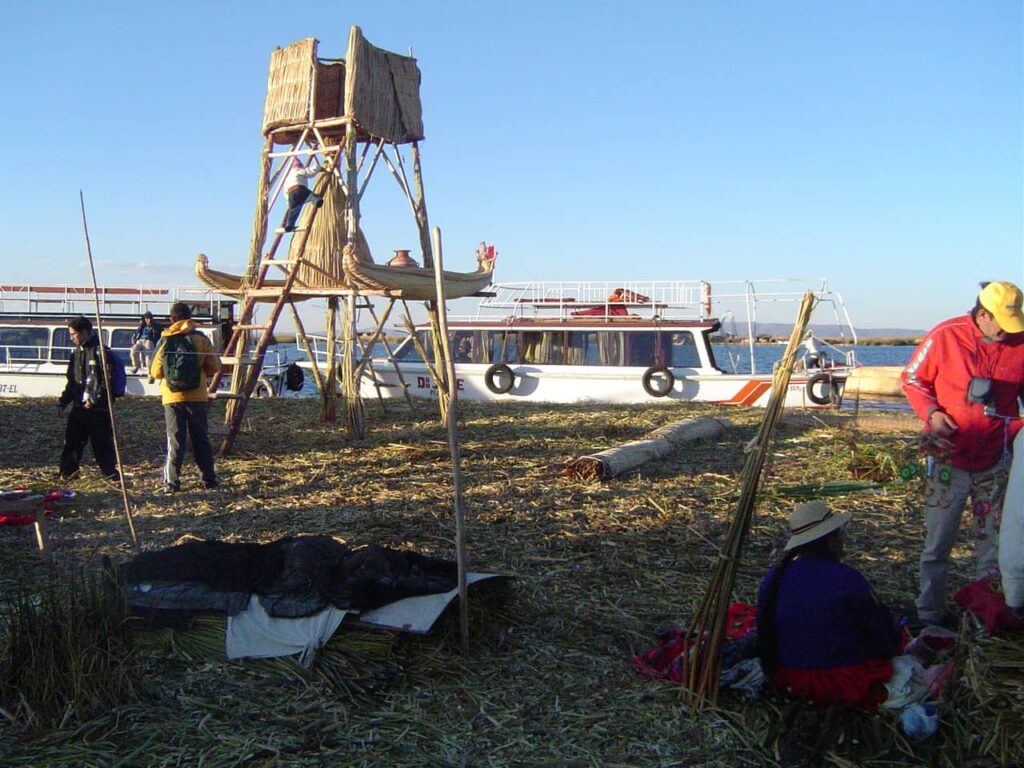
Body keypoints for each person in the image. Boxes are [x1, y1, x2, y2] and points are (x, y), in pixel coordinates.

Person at [901, 280, 1024, 626]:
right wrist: (932, 414)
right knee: (938, 542)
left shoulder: (1021, 343)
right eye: (1001, 324)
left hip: (996, 461)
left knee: (993, 545)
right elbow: (911, 379)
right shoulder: (945, 335)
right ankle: (929, 614)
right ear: (982, 314)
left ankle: (987, 616)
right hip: (947, 459)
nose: (1006, 333)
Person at [757, 500, 902, 708]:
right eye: (838, 534)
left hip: (788, 679)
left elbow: (764, 632)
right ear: (830, 541)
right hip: (840, 681)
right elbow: (881, 640)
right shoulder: (847, 579)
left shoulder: (774, 577)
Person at [150, 302, 222, 492]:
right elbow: (214, 367)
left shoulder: (166, 338)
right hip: (197, 396)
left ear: (172, 318)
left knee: (175, 441)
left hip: (172, 397)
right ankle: (209, 480)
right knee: (201, 439)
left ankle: (172, 483)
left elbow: (155, 371)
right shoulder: (200, 338)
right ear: (190, 317)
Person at [57, 315, 119, 481]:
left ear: (84, 332)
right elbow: (72, 383)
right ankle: (68, 474)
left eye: (73, 334)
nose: (71, 338)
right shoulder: (76, 354)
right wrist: (63, 402)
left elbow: (107, 380)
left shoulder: (101, 352)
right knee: (72, 442)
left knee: (102, 444)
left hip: (99, 409)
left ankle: (111, 475)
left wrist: (95, 399)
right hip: (79, 406)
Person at [277, 157, 324, 233]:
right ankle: (317, 201)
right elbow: (312, 171)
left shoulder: (287, 178)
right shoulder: (300, 171)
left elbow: (285, 192)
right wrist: (318, 167)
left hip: (291, 194)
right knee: (311, 196)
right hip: (300, 189)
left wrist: (289, 202)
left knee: (293, 210)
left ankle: (289, 225)